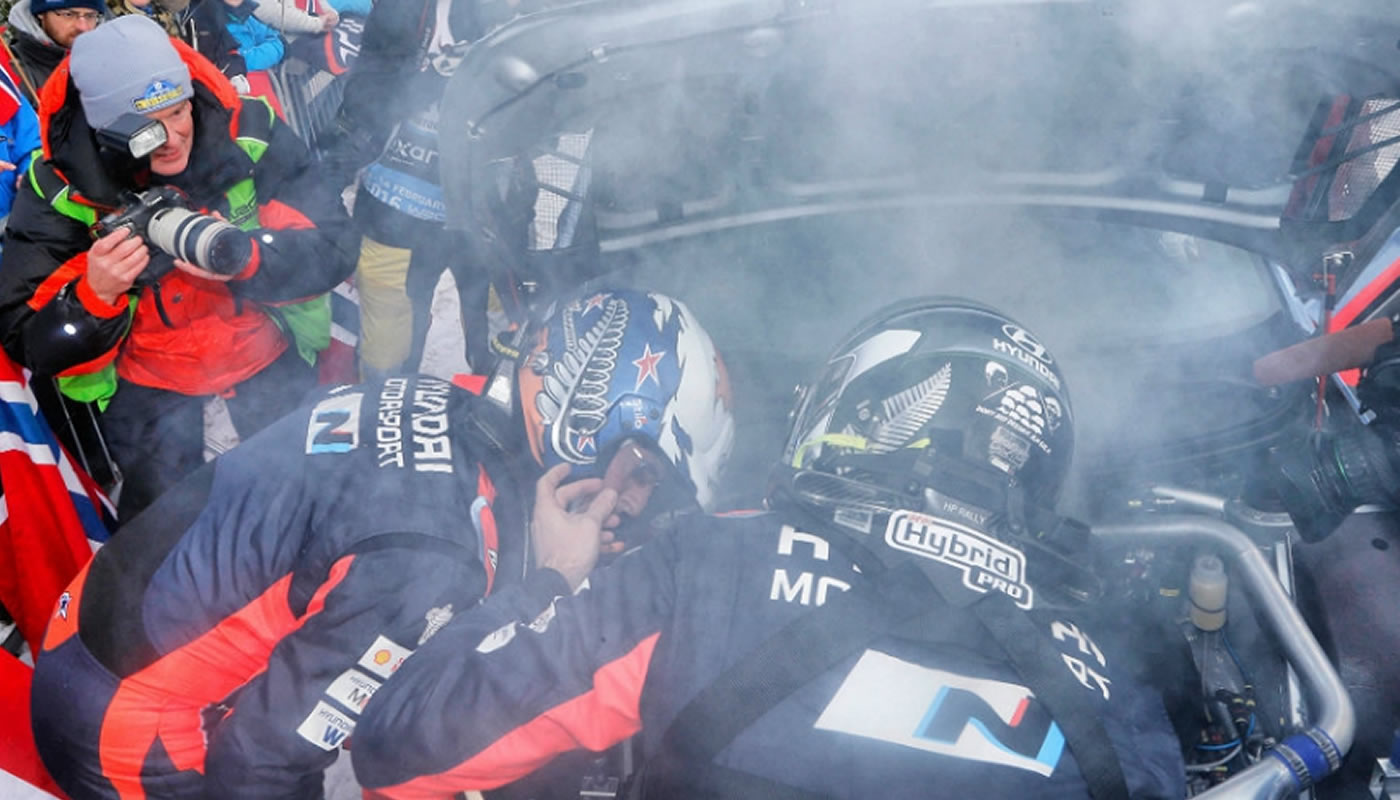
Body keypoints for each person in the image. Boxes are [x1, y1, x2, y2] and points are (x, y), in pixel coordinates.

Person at [351, 298, 1187, 800]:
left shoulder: (710, 569)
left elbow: (402, 748)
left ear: (855, 408)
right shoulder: (1123, 693)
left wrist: (544, 586)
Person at [29, 286, 736, 800]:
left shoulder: (445, 401)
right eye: (644, 473)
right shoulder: (435, 557)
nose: (641, 502)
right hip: (129, 721)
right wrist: (545, 582)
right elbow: (264, 761)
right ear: (590, 421)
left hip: (98, 619)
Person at [0, 15, 357, 521]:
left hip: (267, 367)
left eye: (178, 110)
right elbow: (26, 338)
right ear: (103, 131)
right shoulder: (61, 187)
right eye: (146, 129)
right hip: (149, 398)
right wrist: (93, 296)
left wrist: (252, 258)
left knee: (297, 510)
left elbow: (337, 244)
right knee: (167, 537)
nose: (172, 138)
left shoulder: (248, 131)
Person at [327, 0, 488, 380]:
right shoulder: (402, 8)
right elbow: (364, 100)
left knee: (499, 346)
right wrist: (434, 76)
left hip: (488, 215)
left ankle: (493, 427)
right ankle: (385, 424)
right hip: (396, 208)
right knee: (389, 358)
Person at [105, 0, 251, 92]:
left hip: (195, 97)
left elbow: (229, 52)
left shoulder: (170, 14)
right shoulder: (104, 17)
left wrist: (231, 76)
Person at [4, 0, 104, 102]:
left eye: (90, 16)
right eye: (68, 14)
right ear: (41, 13)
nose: (83, 27)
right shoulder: (14, 76)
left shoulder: (108, 60)